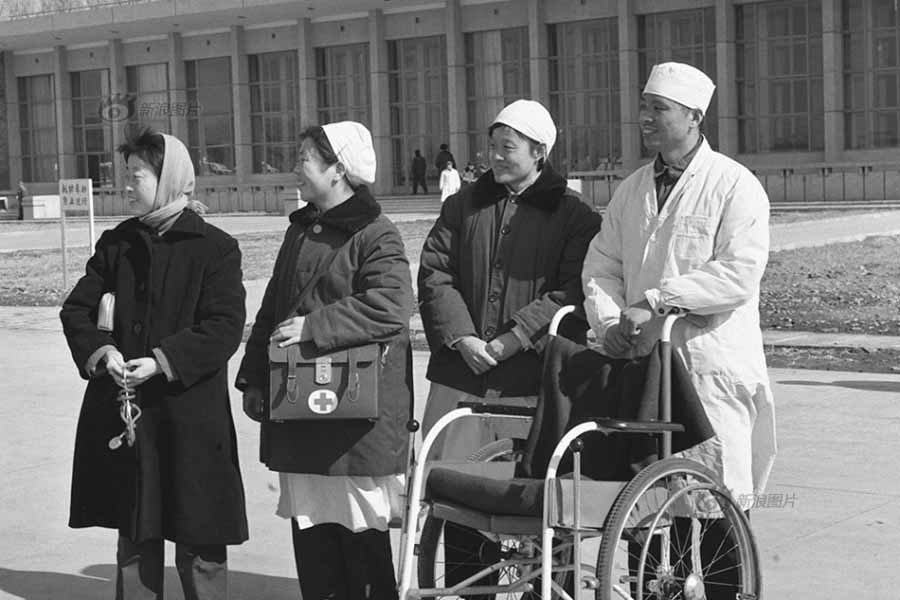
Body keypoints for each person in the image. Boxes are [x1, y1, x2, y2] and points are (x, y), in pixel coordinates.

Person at [581, 62, 777, 598]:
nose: (645, 117)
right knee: (647, 507)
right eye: (643, 106)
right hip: (645, 366)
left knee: (715, 505)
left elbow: (738, 274)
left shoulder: (734, 185)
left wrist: (658, 301)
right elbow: (601, 267)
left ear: (694, 117)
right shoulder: (631, 191)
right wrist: (610, 321)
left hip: (707, 367)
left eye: (658, 108)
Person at [417, 99, 602, 592]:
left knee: (538, 503)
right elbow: (435, 272)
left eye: (508, 147)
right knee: (461, 499)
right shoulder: (464, 205)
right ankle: (466, 589)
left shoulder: (574, 215)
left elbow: (572, 289)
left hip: (532, 380)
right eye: (493, 146)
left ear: (540, 151)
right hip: (463, 374)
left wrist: (513, 338)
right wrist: (463, 337)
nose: (496, 157)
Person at [59, 127, 248, 599]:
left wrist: (163, 361)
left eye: (136, 175)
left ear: (167, 179)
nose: (127, 184)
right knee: (136, 527)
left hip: (190, 415)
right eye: (125, 174)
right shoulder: (117, 243)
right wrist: (104, 354)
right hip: (131, 412)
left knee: (199, 532)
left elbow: (224, 326)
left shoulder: (214, 248)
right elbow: (77, 310)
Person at [236, 121, 414, 600]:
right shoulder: (300, 232)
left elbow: (393, 306)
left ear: (338, 170)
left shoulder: (376, 234)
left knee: (360, 540)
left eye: (305, 160)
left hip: (353, 421)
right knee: (312, 535)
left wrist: (316, 327)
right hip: (301, 409)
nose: (295, 169)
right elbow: (273, 306)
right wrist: (254, 376)